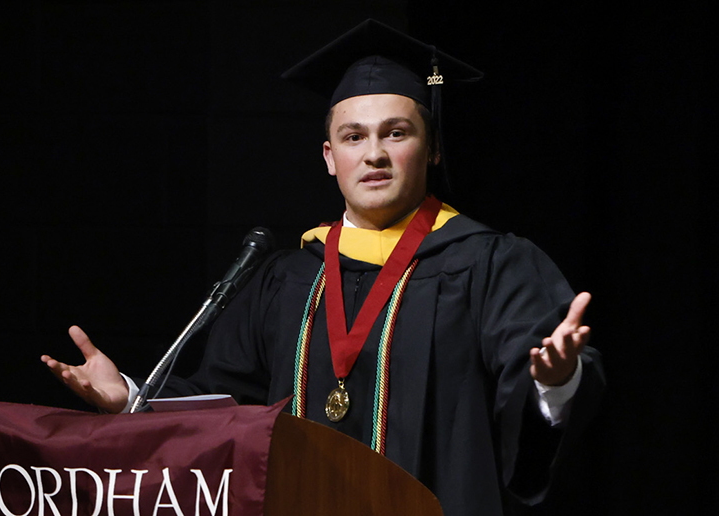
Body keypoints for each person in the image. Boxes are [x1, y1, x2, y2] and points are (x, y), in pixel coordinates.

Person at [41, 19, 604, 515]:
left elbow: (533, 410)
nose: (374, 154)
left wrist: (551, 381)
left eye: (396, 132)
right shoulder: (286, 279)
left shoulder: (489, 265)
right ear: (331, 158)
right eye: (354, 137)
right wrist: (132, 397)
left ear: (431, 148)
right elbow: (222, 407)